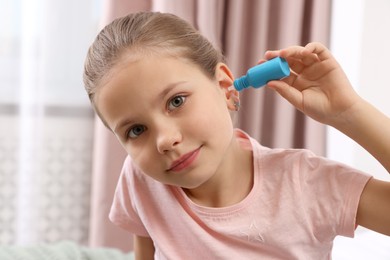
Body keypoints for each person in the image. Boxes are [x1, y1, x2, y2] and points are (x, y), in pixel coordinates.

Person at [83, 11, 390, 259]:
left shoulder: (305, 184)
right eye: (136, 130)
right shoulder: (141, 179)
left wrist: (349, 113)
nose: (164, 140)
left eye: (176, 101)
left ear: (225, 86)